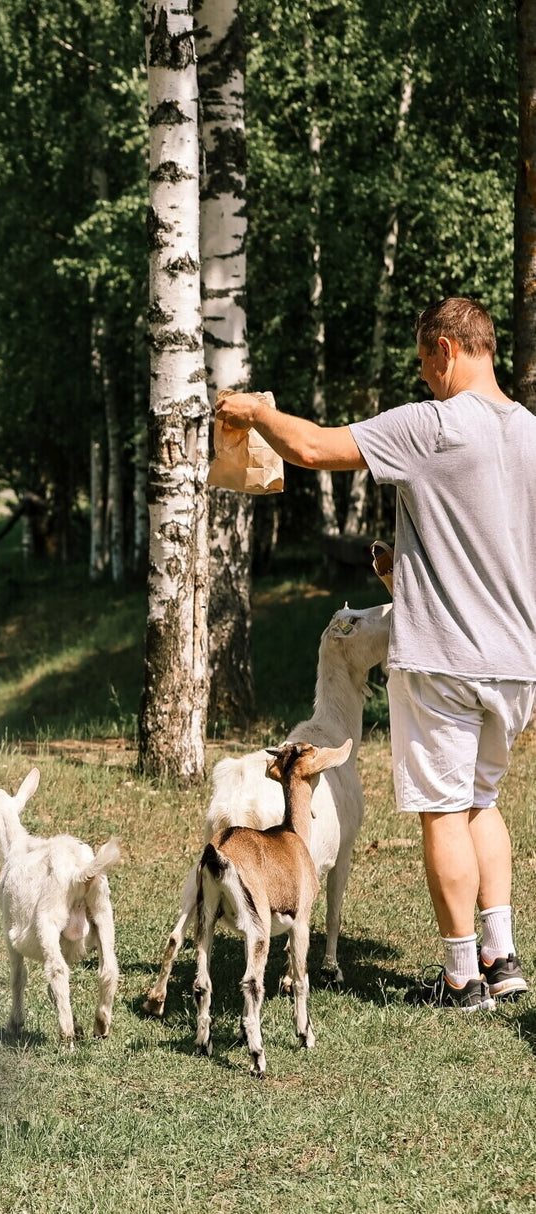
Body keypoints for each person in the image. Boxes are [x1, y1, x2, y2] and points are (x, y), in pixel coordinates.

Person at [217, 297, 536, 1011]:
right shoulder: (532, 436)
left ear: (447, 351)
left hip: (446, 658)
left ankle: (461, 980)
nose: (425, 380)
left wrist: (256, 414)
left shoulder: (433, 424)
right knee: (485, 800)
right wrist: (411, 574)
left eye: (426, 365)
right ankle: (502, 957)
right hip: (516, 658)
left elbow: (312, 448)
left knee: (444, 810)